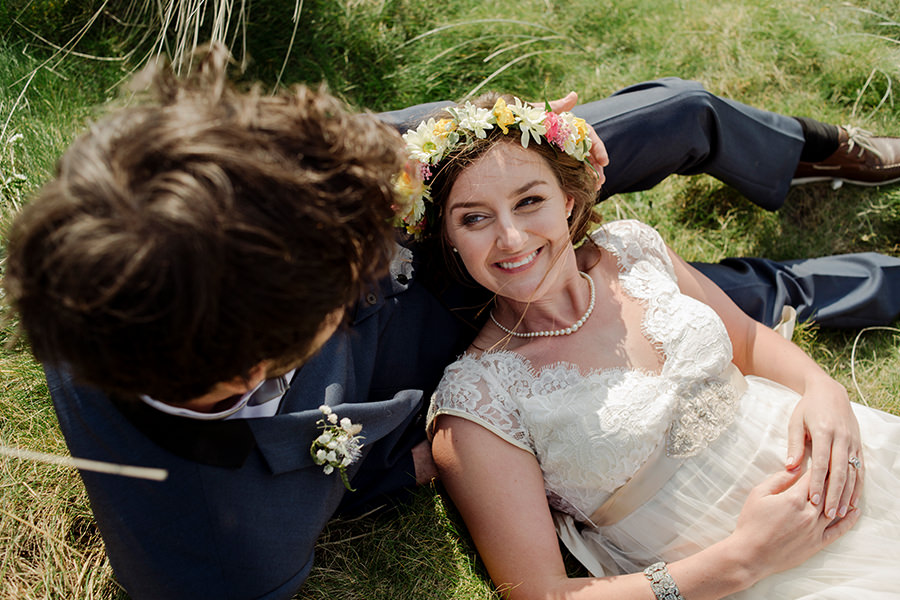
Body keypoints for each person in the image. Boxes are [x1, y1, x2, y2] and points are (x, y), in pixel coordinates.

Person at [3, 44, 900, 598]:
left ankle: (822, 151)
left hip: (417, 236)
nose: (405, 220)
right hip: (426, 364)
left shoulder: (150, 200)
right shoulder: (221, 553)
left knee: (667, 123)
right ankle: (810, 288)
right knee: (696, 303)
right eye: (366, 254)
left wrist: (478, 167)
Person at [418, 93, 900, 599]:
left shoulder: (632, 249)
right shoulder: (475, 403)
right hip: (738, 573)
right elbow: (540, 594)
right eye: (475, 218)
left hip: (842, 455)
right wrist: (744, 559)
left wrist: (824, 391)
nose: (512, 238)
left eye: (529, 201)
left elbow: (749, 342)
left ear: (568, 199)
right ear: (449, 236)